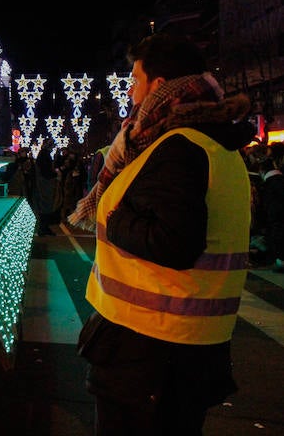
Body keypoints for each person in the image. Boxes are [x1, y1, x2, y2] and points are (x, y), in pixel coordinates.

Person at [70, 32, 255, 435]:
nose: (131, 91)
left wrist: (115, 219)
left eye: (135, 79)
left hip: (151, 352)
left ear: (158, 86)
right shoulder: (211, 144)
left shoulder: (178, 146)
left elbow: (174, 242)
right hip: (178, 347)